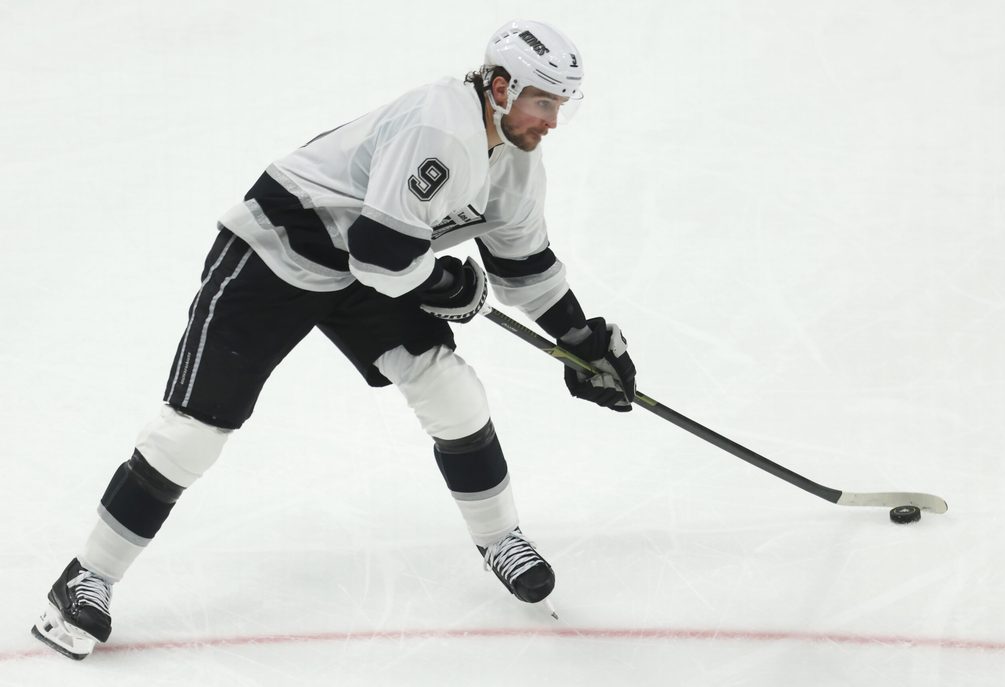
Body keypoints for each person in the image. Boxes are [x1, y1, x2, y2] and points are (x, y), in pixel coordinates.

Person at [31, 19, 637, 660]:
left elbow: (524, 268)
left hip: (363, 270)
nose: (552, 120)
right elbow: (382, 257)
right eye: (544, 101)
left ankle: (499, 539)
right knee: (193, 433)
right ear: (499, 86)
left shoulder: (515, 163)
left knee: (453, 393)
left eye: (559, 105)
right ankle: (86, 577)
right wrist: (451, 283)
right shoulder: (441, 125)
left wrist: (582, 341)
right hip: (275, 250)